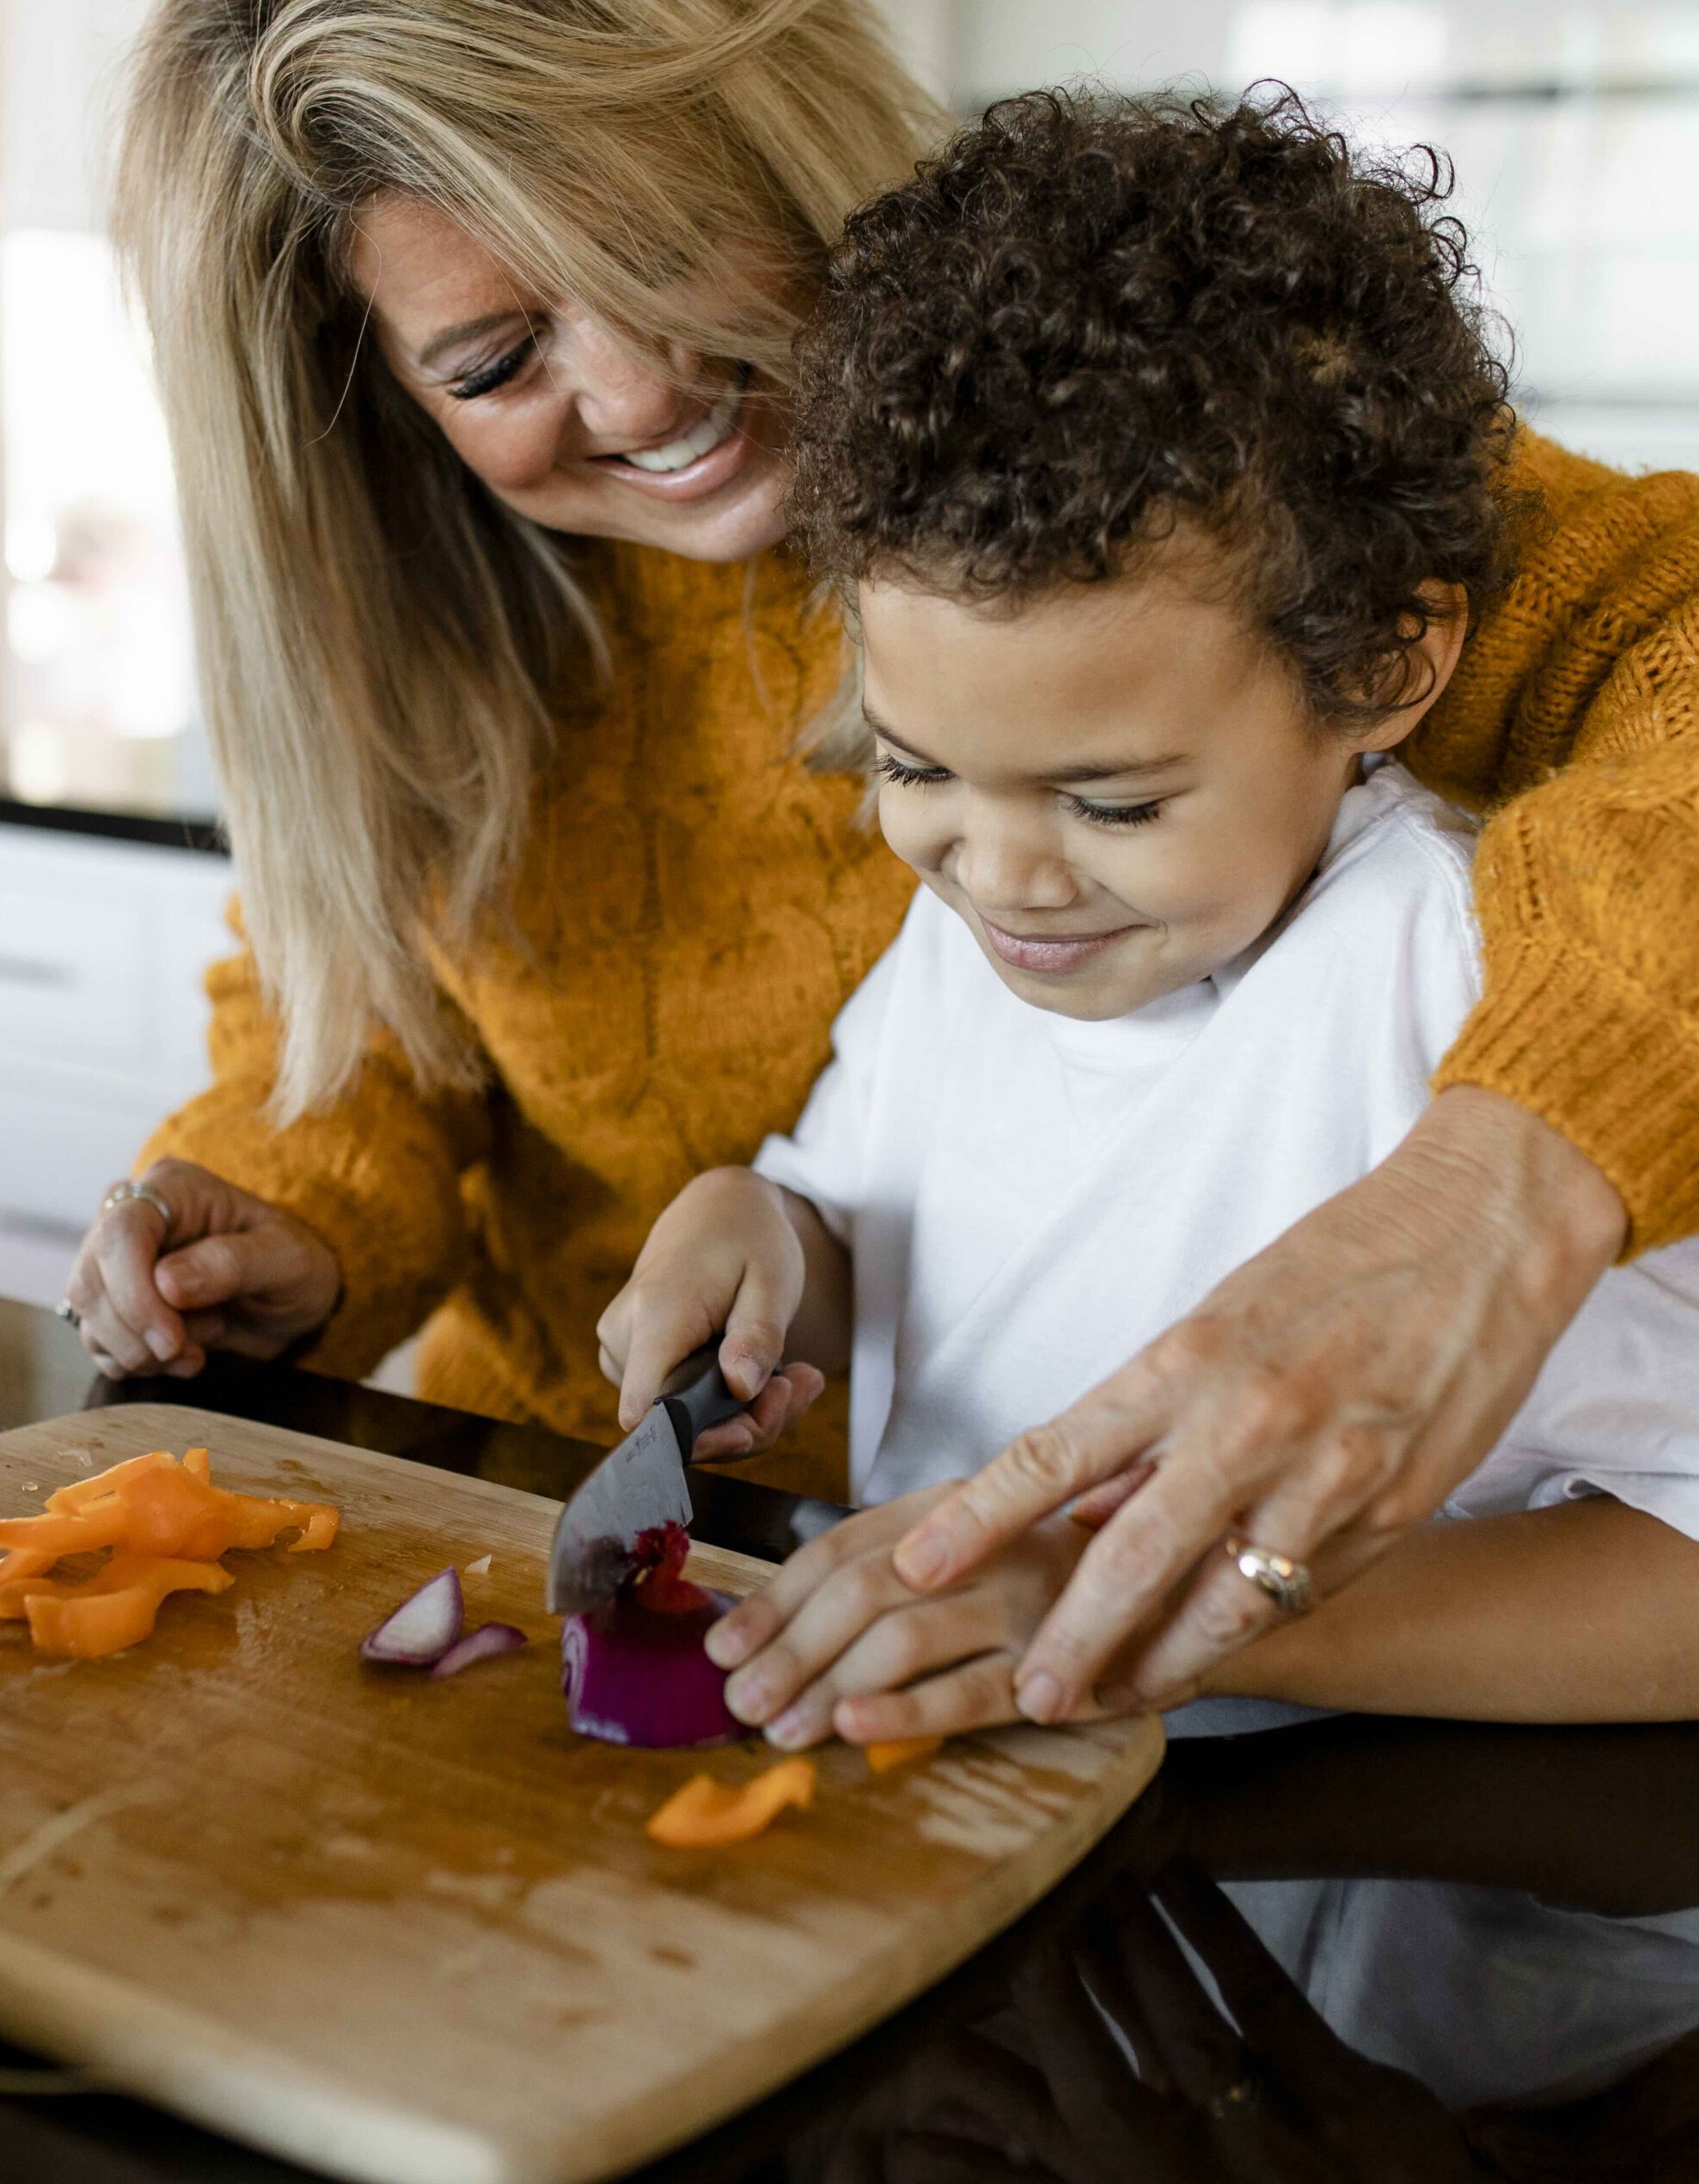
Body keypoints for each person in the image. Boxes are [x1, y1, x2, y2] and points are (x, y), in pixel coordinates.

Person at [68, 0, 1699, 1719]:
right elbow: (396, 1032)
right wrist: (290, 1221)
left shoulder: (1208, 469)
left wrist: (1492, 1187)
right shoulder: (941, 907)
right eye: (490, 363)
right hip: (735, 1580)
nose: (636, 389)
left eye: (655, 246)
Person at [600, 89, 1699, 1744]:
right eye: (918, 766)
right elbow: (875, 1231)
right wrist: (762, 1239)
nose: (1003, 870)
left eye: (1115, 802)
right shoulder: (977, 924)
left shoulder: (1483, 981)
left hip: (1346, 1924)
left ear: (1391, 664)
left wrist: (1148, 1611)